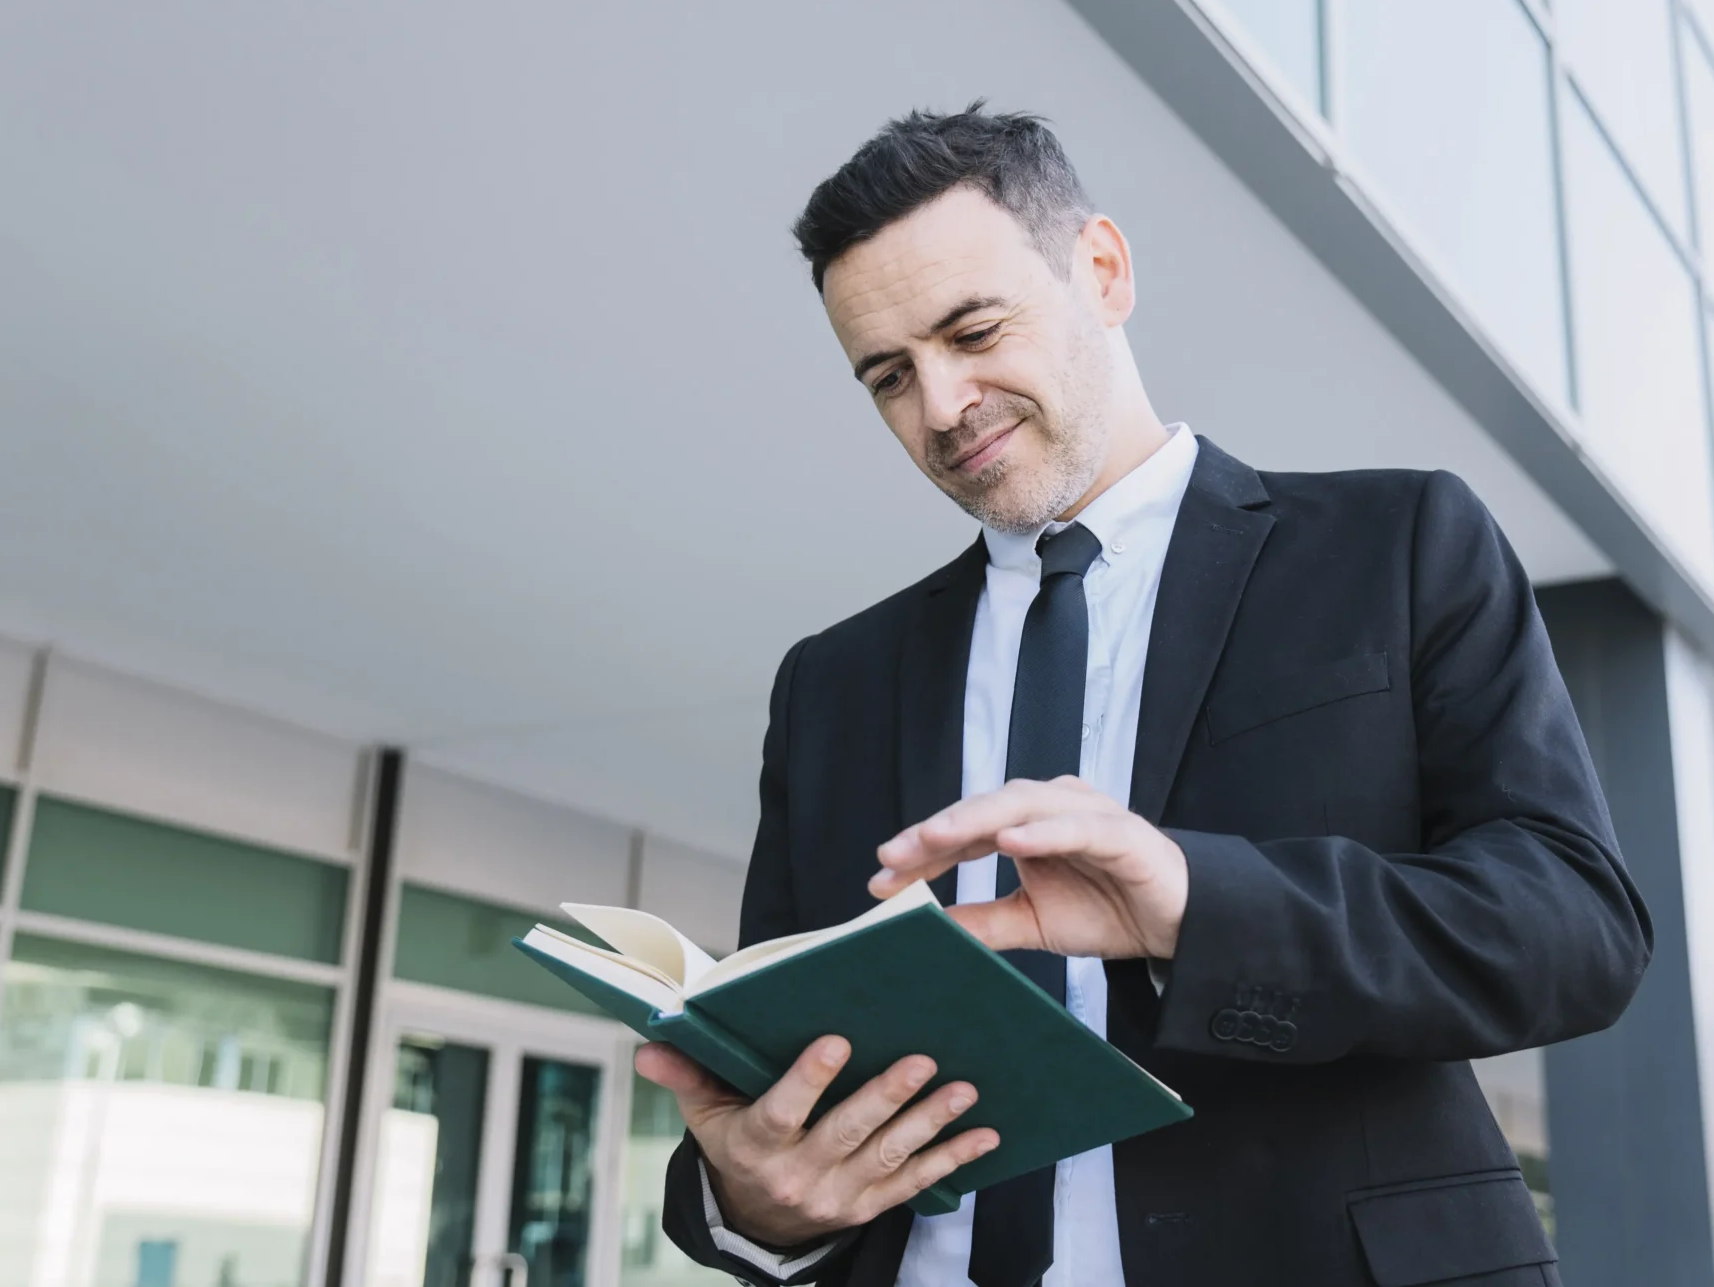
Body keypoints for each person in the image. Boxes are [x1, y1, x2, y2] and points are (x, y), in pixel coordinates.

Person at [642, 105, 1650, 1287]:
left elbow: (1573, 929)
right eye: (888, 376)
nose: (942, 405)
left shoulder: (1398, 544)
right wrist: (755, 1201)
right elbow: (783, 1064)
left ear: (1103, 271)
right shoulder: (833, 685)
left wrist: (1189, 902)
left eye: (972, 331)